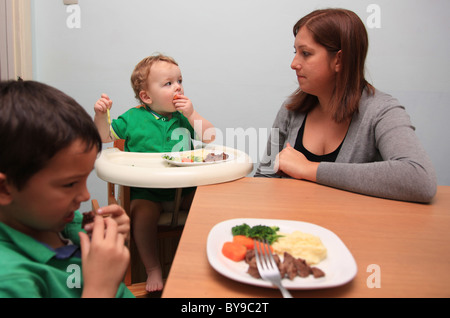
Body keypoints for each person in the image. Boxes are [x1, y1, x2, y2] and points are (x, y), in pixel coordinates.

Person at [255, 8, 436, 203]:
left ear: (339, 60)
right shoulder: (291, 109)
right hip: (294, 231)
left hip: (351, 231)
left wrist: (309, 168)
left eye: (306, 53)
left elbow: (420, 179)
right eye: (295, 52)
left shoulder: (382, 111)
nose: (294, 63)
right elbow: (264, 177)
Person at [94, 54, 216, 292]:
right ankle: (153, 268)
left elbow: (210, 137)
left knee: (207, 207)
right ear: (146, 97)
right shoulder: (132, 118)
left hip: (184, 188)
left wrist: (193, 115)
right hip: (148, 192)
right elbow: (104, 137)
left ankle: (197, 263)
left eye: (179, 81)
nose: (178, 87)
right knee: (142, 215)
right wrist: (101, 116)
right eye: (168, 83)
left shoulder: (183, 116)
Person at [0, 80, 133, 298]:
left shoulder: (59, 223)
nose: (85, 195)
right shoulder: (11, 280)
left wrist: (114, 233)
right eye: (70, 184)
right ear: (5, 189)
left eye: (85, 178)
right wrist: (100, 289)